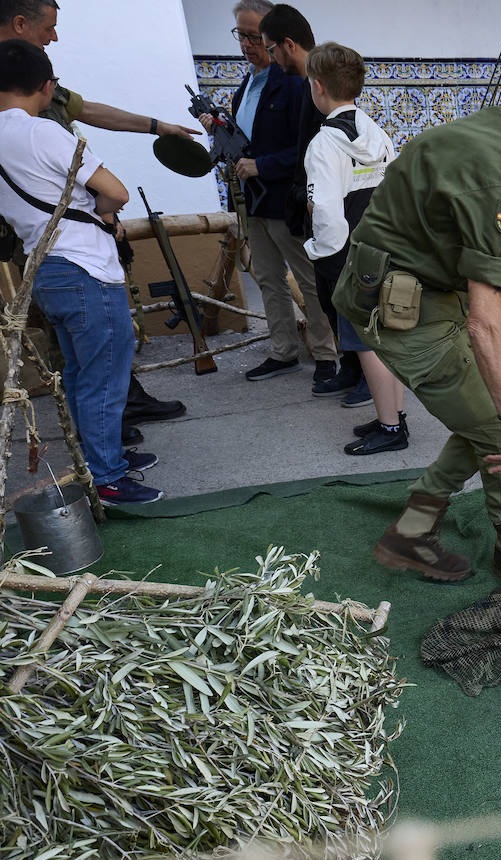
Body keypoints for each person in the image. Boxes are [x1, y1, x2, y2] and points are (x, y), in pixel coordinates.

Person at [331, 52, 501, 591]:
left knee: (485, 418)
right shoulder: (500, 178)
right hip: (405, 309)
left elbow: (476, 250)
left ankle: (418, 526)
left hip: (430, 288)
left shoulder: (497, 138)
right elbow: (482, 325)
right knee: (500, 431)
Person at [0, 0, 196, 444]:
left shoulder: (38, 77)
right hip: (40, 235)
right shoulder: (22, 98)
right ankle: (101, 437)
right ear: (18, 24)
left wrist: (156, 126)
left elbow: (88, 111)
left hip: (77, 222)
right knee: (77, 338)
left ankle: (118, 406)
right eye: (49, 28)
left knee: (97, 333)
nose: (54, 37)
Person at [0, 40, 161, 504]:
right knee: (104, 374)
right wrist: (104, 212)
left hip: (45, 266)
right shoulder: (45, 132)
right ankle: (108, 475)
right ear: (46, 87)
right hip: (84, 264)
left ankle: (98, 457)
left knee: (78, 371)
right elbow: (116, 192)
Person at [205, 0, 337, 386]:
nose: (246, 44)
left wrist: (264, 166)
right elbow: (250, 139)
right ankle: (283, 350)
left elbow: (307, 146)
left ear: (277, 38)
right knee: (266, 276)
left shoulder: (295, 82)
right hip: (253, 200)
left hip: (284, 199)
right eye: (240, 35)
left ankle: (327, 355)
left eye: (252, 35)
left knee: (307, 278)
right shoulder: (247, 84)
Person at [300, 42, 405, 456]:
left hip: (347, 256)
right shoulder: (376, 132)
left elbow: (324, 209)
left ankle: (391, 428)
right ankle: (393, 414)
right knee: (384, 338)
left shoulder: (323, 145)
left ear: (318, 86)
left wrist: (319, 250)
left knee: (364, 342)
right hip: (384, 248)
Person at [258, 3, 366, 403]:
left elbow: (322, 157)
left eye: (271, 48)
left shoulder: (319, 93)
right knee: (328, 297)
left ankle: (366, 378)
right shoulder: (303, 86)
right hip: (313, 213)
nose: (270, 57)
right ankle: (350, 367)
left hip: (335, 218)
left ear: (288, 44)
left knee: (345, 298)